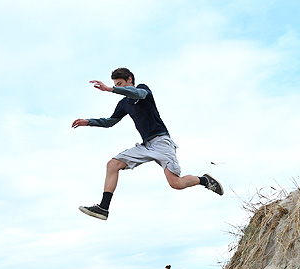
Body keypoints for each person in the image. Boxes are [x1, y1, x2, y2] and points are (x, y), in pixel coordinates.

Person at [72, 68, 224, 220]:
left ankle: (204, 180)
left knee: (176, 184)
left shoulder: (143, 89)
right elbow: (110, 122)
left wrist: (111, 89)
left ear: (130, 79)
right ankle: (103, 208)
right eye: (116, 85)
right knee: (112, 164)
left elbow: (138, 94)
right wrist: (88, 122)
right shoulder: (124, 104)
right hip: (146, 145)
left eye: (120, 84)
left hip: (161, 142)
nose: (119, 87)